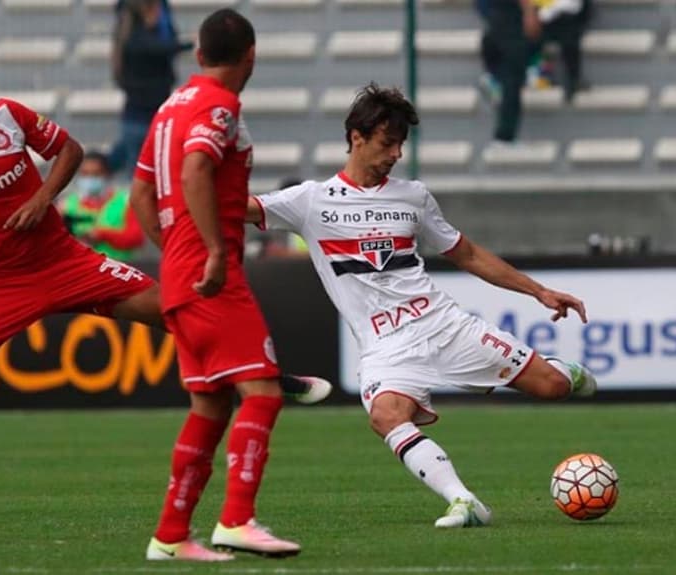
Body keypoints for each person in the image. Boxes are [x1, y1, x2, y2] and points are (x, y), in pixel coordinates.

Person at [0, 72, 331, 547]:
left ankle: (271, 378)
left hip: (65, 261)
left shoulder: (7, 116)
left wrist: (42, 198)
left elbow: (70, 150)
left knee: (178, 308)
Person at [246, 83, 598, 529]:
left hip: (442, 324)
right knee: (385, 416)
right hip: (386, 347)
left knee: (552, 388)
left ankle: (564, 371)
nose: (395, 154)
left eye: (400, 144)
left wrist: (539, 291)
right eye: (387, 142)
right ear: (357, 137)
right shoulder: (311, 201)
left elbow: (466, 253)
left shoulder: (412, 196)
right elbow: (241, 208)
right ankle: (465, 502)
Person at [130, 8, 302, 561]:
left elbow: (140, 195)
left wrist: (177, 251)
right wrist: (210, 250)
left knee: (210, 407)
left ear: (199, 55)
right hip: (211, 274)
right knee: (264, 394)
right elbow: (195, 171)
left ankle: (171, 535)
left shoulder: (167, 108)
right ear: (251, 56)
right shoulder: (219, 105)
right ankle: (237, 519)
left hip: (179, 273)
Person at [109, 0, 193, 177]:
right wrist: (191, 43)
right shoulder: (137, 39)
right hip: (143, 118)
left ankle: (105, 164)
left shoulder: (133, 36)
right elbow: (160, 48)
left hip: (143, 116)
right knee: (141, 174)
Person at [59, 150, 145, 261]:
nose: (90, 179)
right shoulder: (66, 205)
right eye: (85, 174)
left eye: (96, 174)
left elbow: (135, 238)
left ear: (107, 175)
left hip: (119, 268)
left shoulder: (124, 202)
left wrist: (102, 235)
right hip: (81, 269)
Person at [479, 0, 541, 143]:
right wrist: (529, 11)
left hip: (501, 18)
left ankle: (494, 76)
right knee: (512, 77)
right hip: (511, 19)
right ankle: (505, 136)